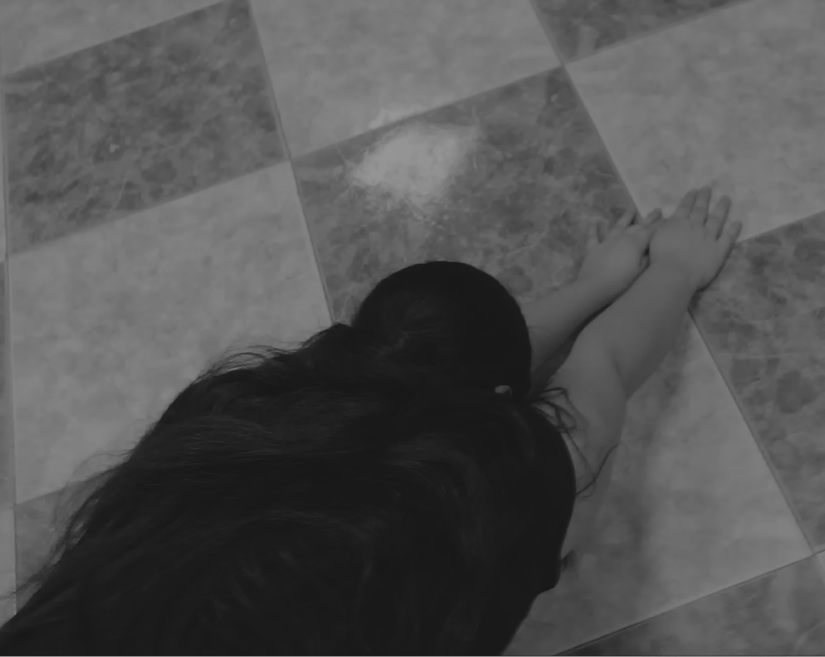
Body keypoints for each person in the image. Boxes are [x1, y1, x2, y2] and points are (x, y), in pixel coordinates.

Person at [0, 187, 741, 654]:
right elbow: (604, 364)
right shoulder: (490, 494)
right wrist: (674, 268)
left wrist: (592, 286)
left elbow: (402, 373)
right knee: (570, 488)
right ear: (500, 403)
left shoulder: (223, 411)